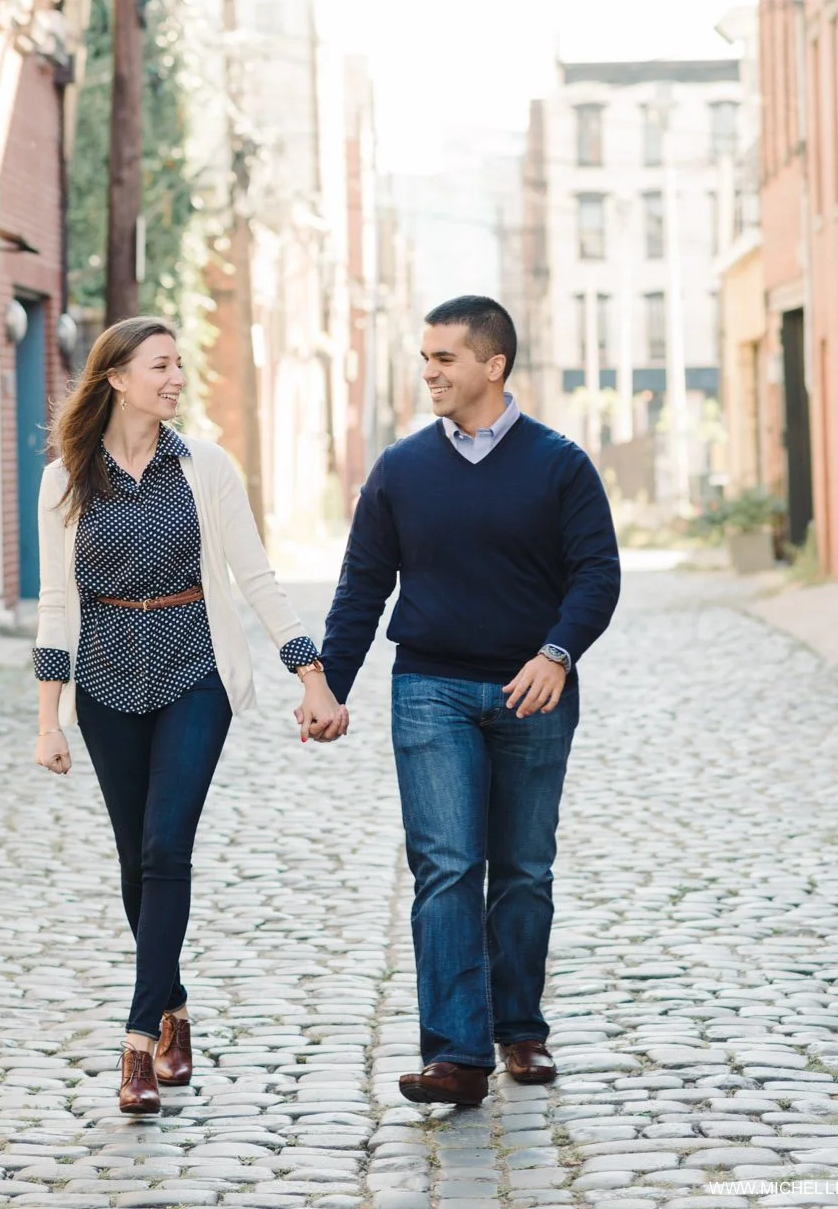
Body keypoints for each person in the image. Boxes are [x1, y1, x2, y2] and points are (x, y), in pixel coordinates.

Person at [312, 294, 620, 1107]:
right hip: (431, 687)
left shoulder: (560, 464)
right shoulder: (401, 469)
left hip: (535, 691)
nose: (429, 372)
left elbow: (597, 575)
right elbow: (362, 588)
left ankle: (520, 1027)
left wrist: (558, 653)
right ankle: (455, 1052)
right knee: (446, 866)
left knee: (523, 869)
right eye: (424, 358)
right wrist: (327, 685)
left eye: (444, 358)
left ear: (494, 364)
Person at [31, 316, 342, 1114]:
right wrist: (48, 716)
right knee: (137, 864)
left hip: (193, 671)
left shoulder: (205, 467)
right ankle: (173, 1006)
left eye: (179, 365)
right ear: (117, 379)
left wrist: (311, 676)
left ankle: (136, 1045)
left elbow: (257, 579)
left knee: (169, 845)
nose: (176, 378)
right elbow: (57, 601)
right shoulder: (66, 479)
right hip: (105, 680)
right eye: (161, 365)